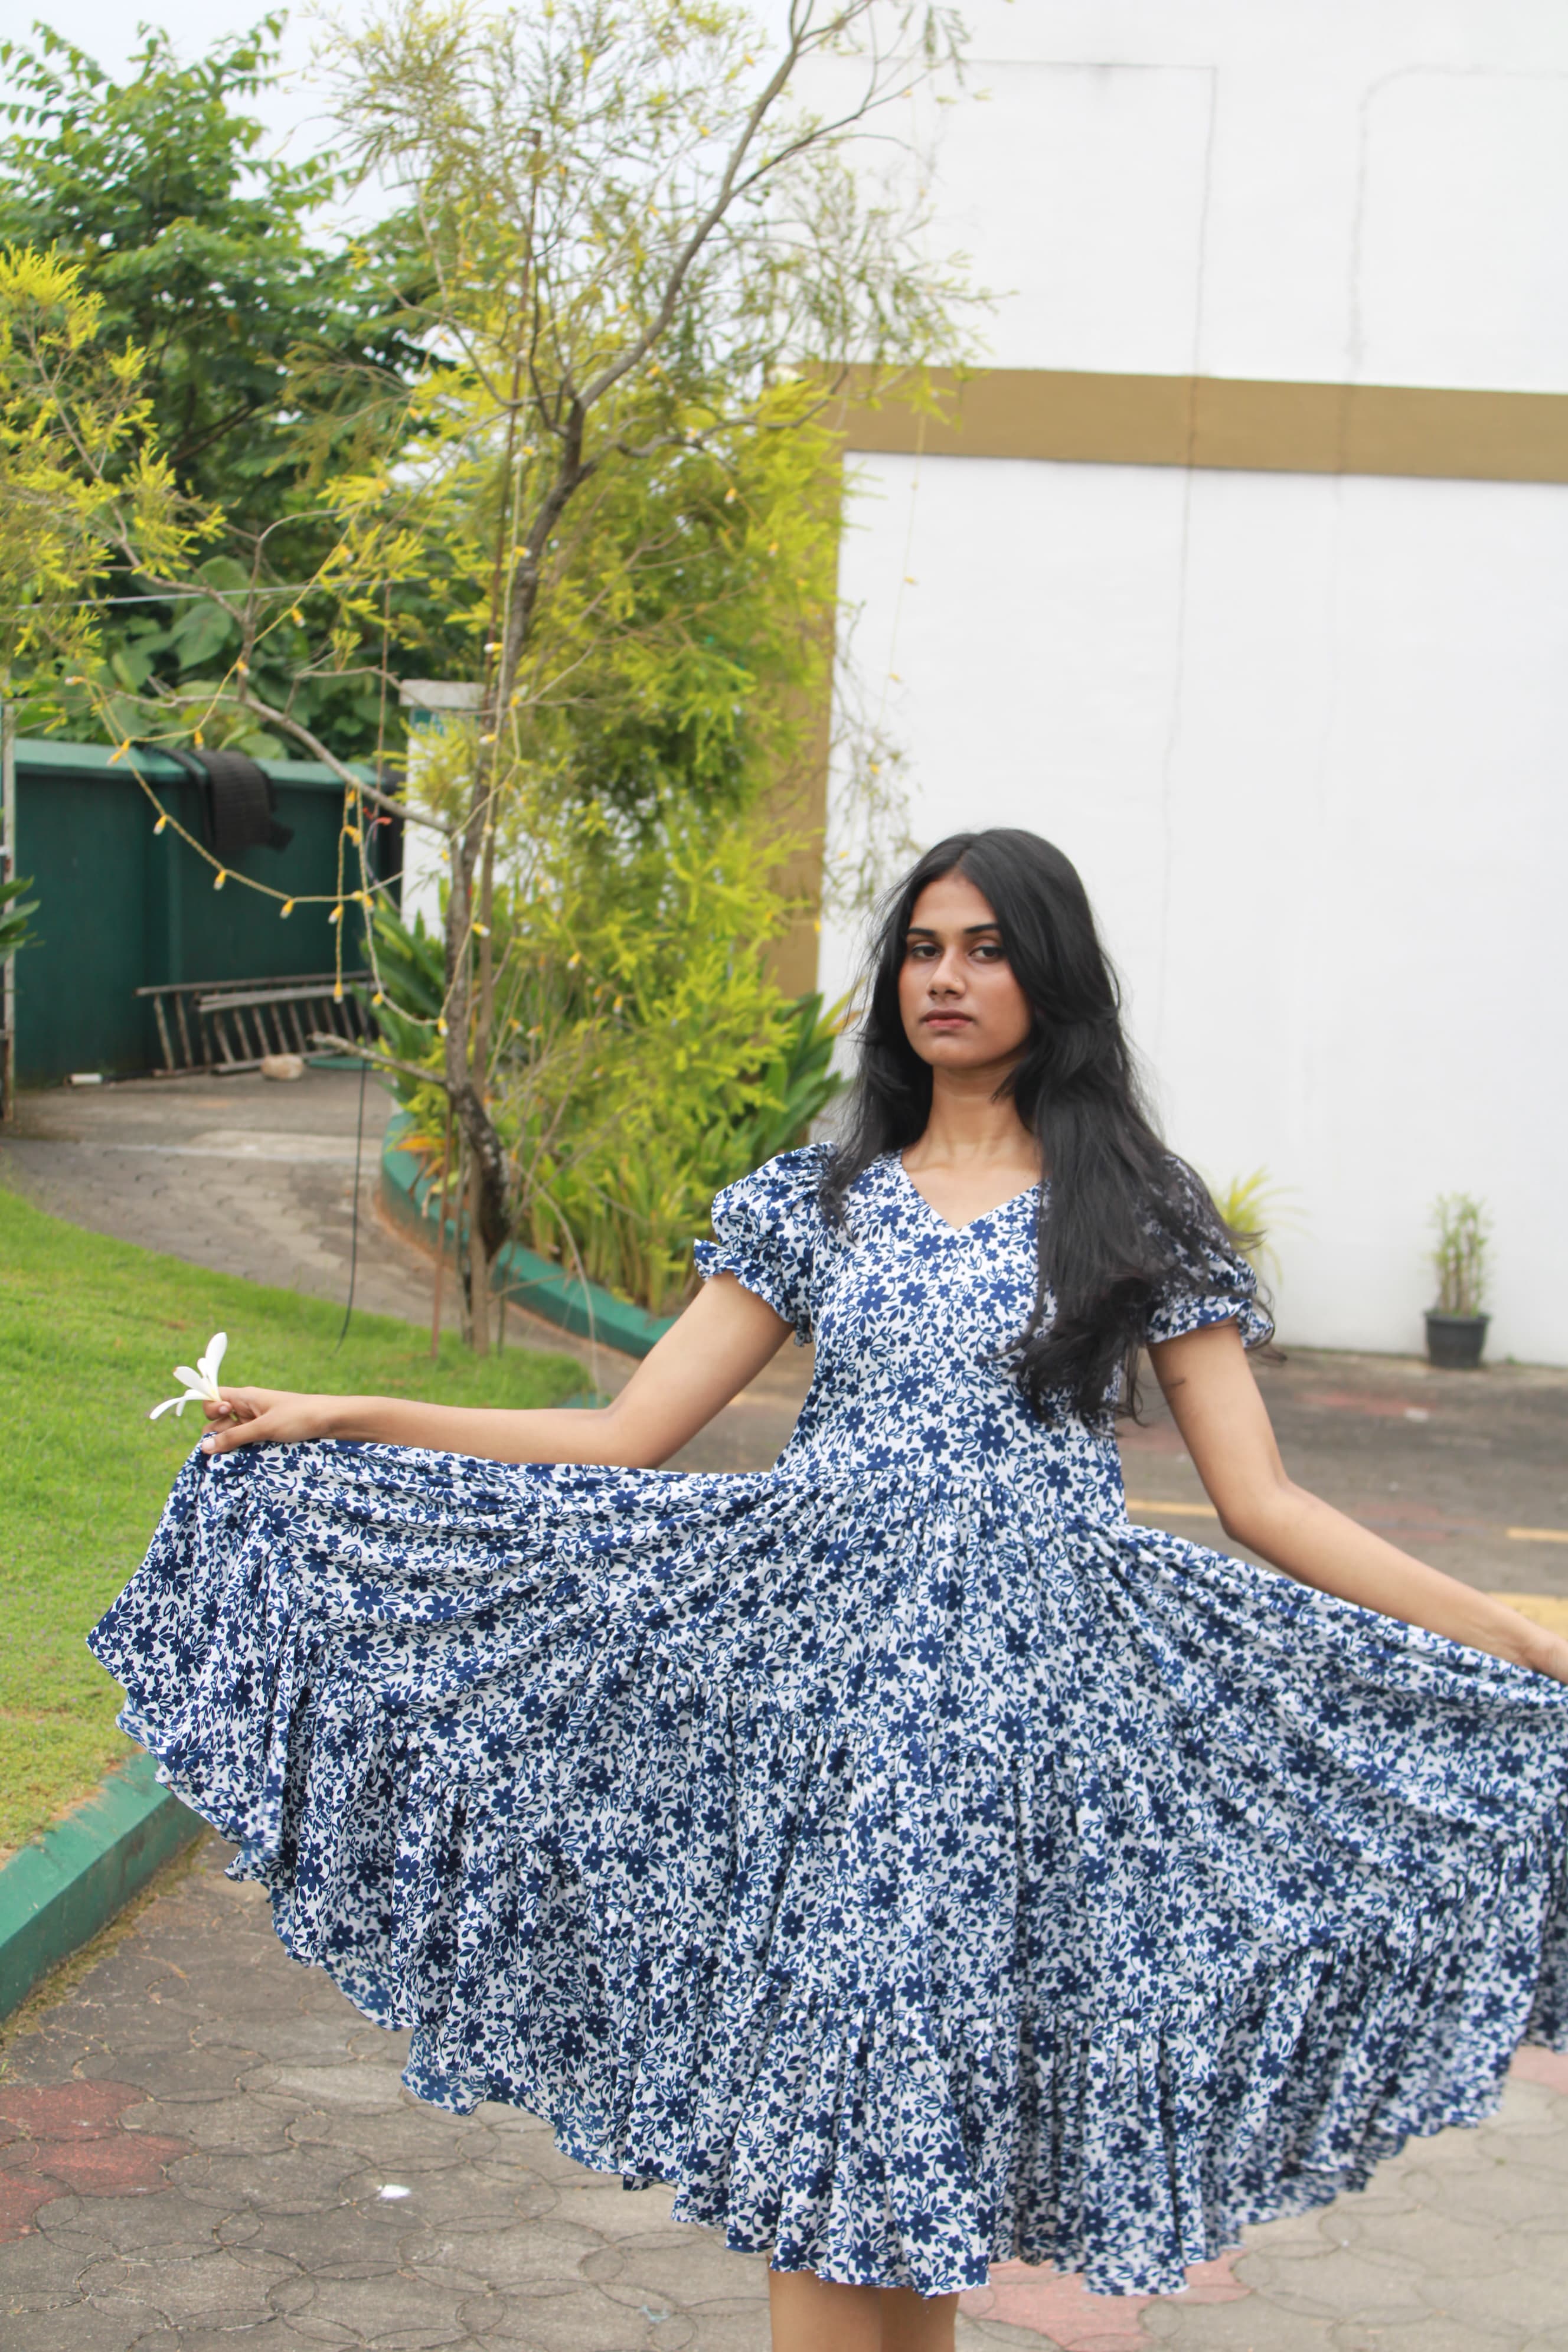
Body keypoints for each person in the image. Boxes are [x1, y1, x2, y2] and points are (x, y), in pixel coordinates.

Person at [92, 828, 1568, 2352]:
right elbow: (623, 1434)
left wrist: (1516, 1633)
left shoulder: (1134, 1208)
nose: (947, 977)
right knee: (838, 2171)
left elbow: (1263, 1502)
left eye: (987, 948)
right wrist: (348, 1417)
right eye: (924, 948)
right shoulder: (820, 1198)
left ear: (1048, 977)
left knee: (900, 2182)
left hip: (1018, 1739)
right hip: (830, 1729)